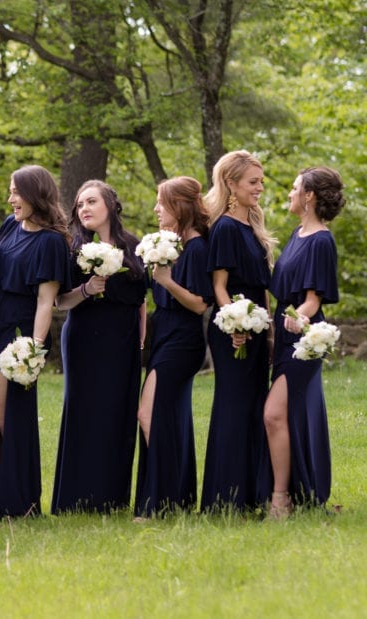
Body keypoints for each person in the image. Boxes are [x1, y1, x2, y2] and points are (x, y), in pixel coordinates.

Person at [0, 166, 71, 517]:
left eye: (16, 193)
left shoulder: (52, 242)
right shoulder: (10, 227)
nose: (10, 199)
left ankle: (20, 498)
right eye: (9, 192)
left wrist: (33, 352)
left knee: (3, 410)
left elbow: (46, 302)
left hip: (19, 335)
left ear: (35, 193)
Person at [52, 180, 146, 514]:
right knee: (84, 411)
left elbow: (141, 301)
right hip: (83, 338)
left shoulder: (134, 246)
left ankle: (113, 497)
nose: (84, 209)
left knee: (117, 412)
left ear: (110, 205)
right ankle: (76, 498)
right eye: (79, 205)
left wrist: (141, 339)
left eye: (91, 201)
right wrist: (88, 290)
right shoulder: (73, 248)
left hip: (122, 340)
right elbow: (60, 302)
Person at [264, 167, 344, 518]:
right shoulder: (296, 235)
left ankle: (281, 498)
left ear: (309, 196)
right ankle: (297, 493)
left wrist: (299, 319)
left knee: (273, 414)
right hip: (283, 332)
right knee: (288, 415)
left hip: (303, 337)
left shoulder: (321, 241)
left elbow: (314, 300)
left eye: (295, 189)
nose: (290, 194)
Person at [133, 177, 213, 518]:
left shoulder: (196, 248)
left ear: (179, 207)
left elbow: (199, 304)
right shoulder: (173, 244)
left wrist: (166, 280)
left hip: (183, 340)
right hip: (164, 335)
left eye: (161, 204)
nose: (155, 209)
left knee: (148, 413)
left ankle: (162, 499)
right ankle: (173, 498)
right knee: (168, 416)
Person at [200, 150, 274, 513]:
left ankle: (251, 493)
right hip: (235, 329)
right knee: (234, 407)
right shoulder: (227, 227)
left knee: (254, 406)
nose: (260, 187)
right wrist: (235, 324)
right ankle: (225, 498)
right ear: (231, 184)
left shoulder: (252, 225)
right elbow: (219, 285)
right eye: (253, 182)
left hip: (257, 326)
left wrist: (265, 327)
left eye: (261, 181)